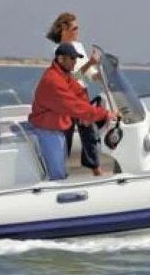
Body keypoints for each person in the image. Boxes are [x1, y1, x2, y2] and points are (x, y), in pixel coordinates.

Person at [29, 43, 117, 180]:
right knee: (58, 177)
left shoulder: (64, 75)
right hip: (49, 132)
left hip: (57, 129)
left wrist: (86, 115)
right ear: (60, 59)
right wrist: (104, 114)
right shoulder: (53, 80)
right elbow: (74, 106)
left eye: (76, 59)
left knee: (61, 171)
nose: (75, 62)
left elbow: (79, 92)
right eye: (72, 59)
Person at [45, 12, 104, 174]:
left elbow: (88, 74)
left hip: (81, 93)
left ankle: (95, 168)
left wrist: (99, 75)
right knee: (67, 132)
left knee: (89, 130)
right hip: (66, 95)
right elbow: (71, 76)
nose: (78, 31)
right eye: (75, 28)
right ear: (64, 29)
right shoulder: (58, 50)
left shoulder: (79, 46)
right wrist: (90, 62)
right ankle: (60, 169)